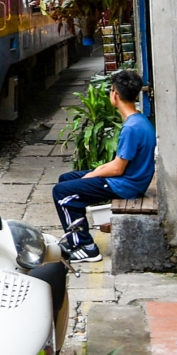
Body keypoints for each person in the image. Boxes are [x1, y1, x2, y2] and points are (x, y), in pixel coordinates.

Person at [52, 70, 156, 263]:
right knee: (66, 180)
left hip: (126, 185)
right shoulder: (139, 120)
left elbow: (118, 169)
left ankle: (87, 247)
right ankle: (76, 239)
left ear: (115, 95)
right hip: (130, 179)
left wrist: (93, 175)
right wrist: (95, 172)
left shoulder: (131, 128)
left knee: (62, 193)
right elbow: (120, 162)